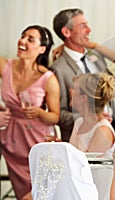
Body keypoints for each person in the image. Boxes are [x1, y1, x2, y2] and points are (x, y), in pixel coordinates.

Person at [0, 25, 60, 200]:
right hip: (10, 141)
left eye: (30, 39)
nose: (22, 41)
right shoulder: (5, 66)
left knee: (39, 193)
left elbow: (54, 116)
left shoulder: (48, 78)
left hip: (36, 142)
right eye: (22, 36)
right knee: (21, 194)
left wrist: (39, 112)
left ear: (42, 49)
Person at [50, 8, 110, 142]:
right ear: (66, 32)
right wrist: (91, 118)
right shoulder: (57, 69)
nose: (89, 30)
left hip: (110, 133)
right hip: (81, 141)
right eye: (83, 26)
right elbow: (59, 114)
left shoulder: (96, 55)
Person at [69, 72, 115, 155]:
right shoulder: (79, 122)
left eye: (74, 88)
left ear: (83, 98)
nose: (70, 90)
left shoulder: (103, 131)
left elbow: (85, 165)